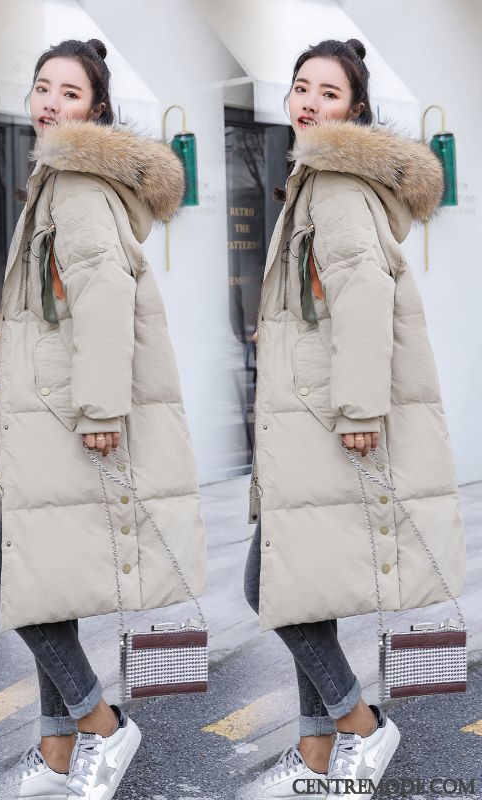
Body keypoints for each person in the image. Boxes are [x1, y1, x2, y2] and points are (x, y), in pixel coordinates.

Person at [240, 38, 465, 800]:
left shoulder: (334, 183)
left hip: (326, 421)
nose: (308, 102)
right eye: (301, 87)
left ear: (356, 110)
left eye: (328, 93)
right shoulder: (315, 180)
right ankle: (315, 754)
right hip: (309, 415)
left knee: (267, 582)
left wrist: (361, 407)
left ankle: (359, 725)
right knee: (308, 586)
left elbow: (363, 290)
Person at [0, 38, 207, 800]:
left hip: (67, 421)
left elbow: (105, 292)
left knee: (10, 583)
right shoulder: (57, 180)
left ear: (97, 110)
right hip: (52, 414)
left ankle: (99, 726)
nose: (49, 102)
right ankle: (57, 753)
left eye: (69, 93)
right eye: (42, 87)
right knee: (51, 586)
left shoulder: (75, 183)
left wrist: (102, 408)